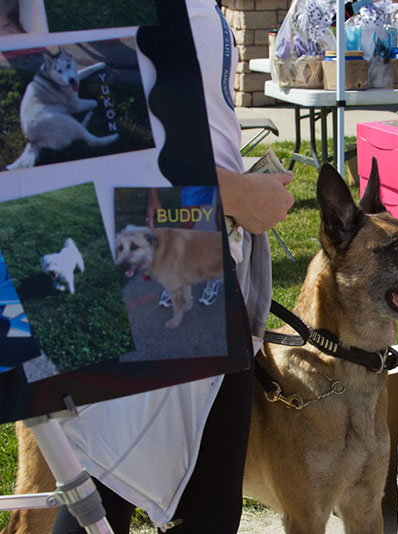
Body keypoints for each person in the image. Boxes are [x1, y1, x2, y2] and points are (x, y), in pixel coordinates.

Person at [50, 1, 294, 533]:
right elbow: (82, 138)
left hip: (192, 247)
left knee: (189, 492)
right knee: (112, 480)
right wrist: (235, 194)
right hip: (148, 251)